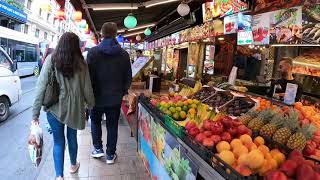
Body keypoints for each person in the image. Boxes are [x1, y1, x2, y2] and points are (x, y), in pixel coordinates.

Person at [32, 32, 95, 180]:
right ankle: (73, 165)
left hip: (54, 109)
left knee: (58, 142)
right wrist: (91, 104)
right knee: (72, 138)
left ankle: (59, 176)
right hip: (74, 109)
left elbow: (40, 88)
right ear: (76, 46)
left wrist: (35, 115)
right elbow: (87, 88)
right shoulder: (82, 64)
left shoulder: (51, 60)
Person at [87, 22, 132, 164]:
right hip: (114, 98)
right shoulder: (124, 54)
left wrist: (89, 94)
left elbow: (88, 77)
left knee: (95, 121)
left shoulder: (93, 53)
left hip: (96, 97)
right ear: (115, 34)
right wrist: (122, 91)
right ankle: (110, 155)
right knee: (112, 125)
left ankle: (98, 149)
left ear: (102, 34)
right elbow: (128, 77)